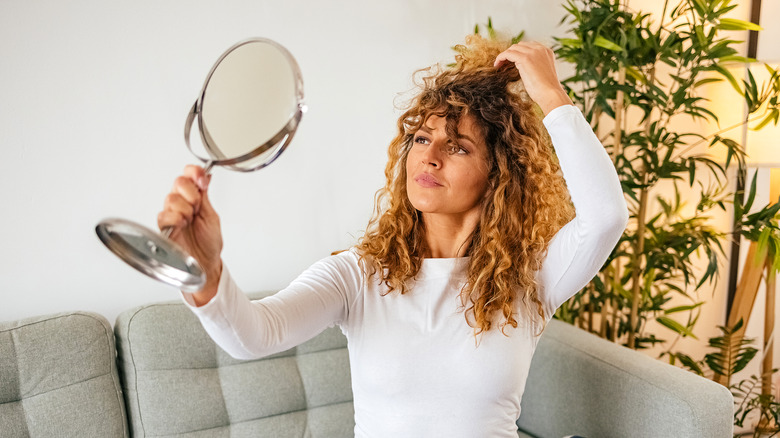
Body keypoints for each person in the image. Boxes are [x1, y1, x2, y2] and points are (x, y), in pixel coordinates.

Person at [158, 36, 629, 438]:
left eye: (458, 146)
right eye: (422, 139)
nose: (430, 156)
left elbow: (606, 216)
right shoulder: (358, 276)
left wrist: (550, 93)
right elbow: (253, 336)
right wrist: (205, 270)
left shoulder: (530, 278)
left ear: (498, 173)